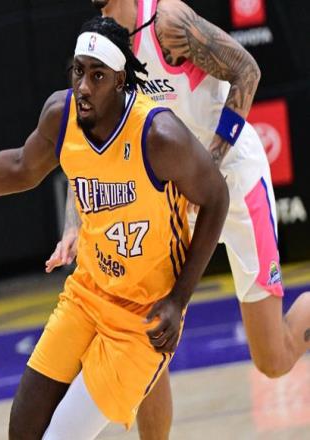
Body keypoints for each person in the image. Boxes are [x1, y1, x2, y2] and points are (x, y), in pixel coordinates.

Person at [0, 16, 229, 438]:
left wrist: (179, 299)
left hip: (143, 317)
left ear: (120, 81)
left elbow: (216, 198)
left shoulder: (159, 136)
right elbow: (21, 167)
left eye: (97, 75)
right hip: (88, 292)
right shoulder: (60, 116)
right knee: (22, 430)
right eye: (78, 71)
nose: (83, 86)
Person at [45, 1, 310, 438]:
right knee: (148, 331)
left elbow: (247, 70)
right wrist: (73, 221)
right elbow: (89, 142)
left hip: (234, 181)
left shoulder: (167, 22)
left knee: (273, 359)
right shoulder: (101, 45)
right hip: (173, 198)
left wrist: (210, 166)